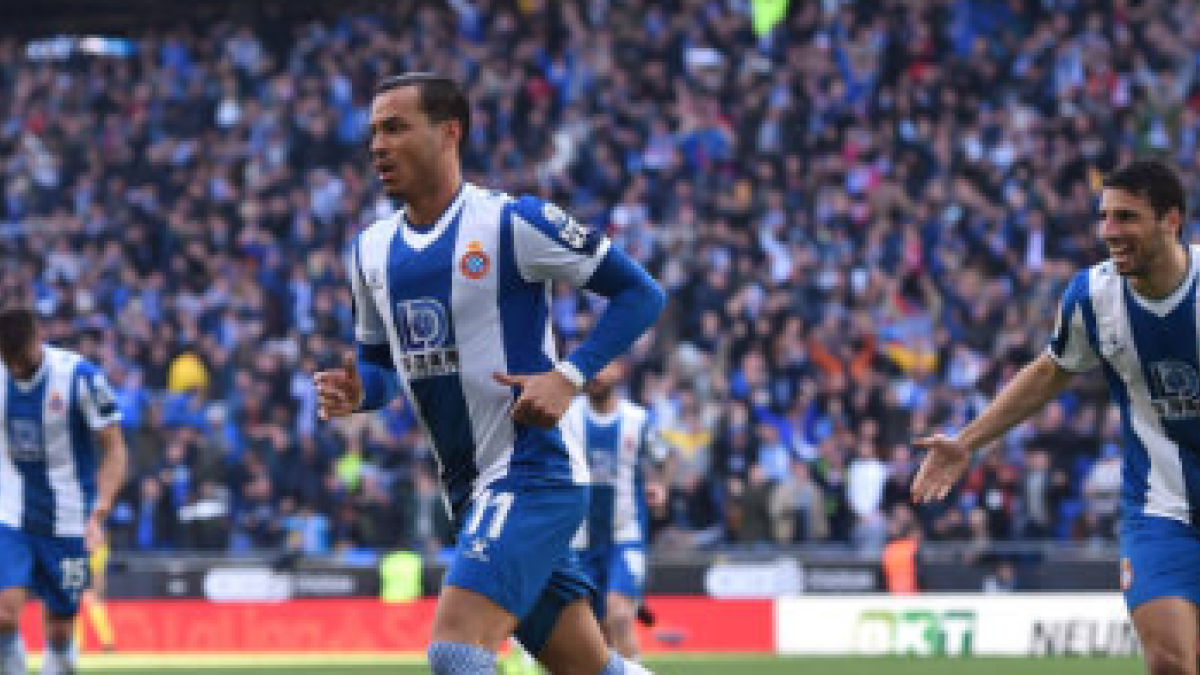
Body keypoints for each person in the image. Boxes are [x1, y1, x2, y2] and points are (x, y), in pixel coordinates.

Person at [313, 73, 664, 675]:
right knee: (590, 668)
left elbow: (641, 293)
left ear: (449, 132)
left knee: (456, 650)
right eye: (373, 132)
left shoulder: (512, 223)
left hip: (533, 474)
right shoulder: (370, 250)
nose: (377, 146)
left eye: (395, 128)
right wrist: (360, 391)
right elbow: (382, 366)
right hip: (469, 493)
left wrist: (568, 375)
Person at [912, 159, 1200, 675]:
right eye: (1104, 216)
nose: (1109, 231)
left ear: (1171, 220)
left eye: (1127, 217)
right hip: (1161, 506)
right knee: (1169, 662)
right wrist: (966, 442)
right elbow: (1049, 372)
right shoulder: (1093, 297)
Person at [0, 301, 128, 675]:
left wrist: (99, 512)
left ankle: (59, 659)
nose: (16, 368)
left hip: (69, 519)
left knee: (59, 629)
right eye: (8, 360)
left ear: (38, 338)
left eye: (22, 358)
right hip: (11, 513)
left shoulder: (80, 377)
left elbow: (115, 446)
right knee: (4, 614)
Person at [560, 360, 668, 661]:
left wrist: (659, 485)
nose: (594, 373)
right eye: (591, 367)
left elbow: (662, 457)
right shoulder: (568, 417)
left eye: (602, 366)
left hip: (625, 534)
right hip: (580, 539)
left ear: (619, 370)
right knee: (597, 630)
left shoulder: (639, 420)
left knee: (619, 616)